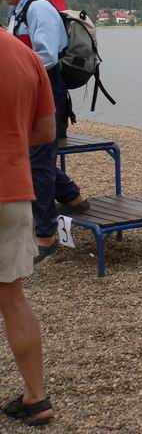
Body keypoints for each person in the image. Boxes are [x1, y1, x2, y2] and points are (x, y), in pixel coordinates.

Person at [0, 0, 89, 262]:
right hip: (31, 88)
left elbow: (47, 56)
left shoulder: (39, 9)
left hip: (47, 89)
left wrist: (13, 68)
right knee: (32, 153)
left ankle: (46, 234)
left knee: (37, 156)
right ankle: (72, 196)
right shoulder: (18, 11)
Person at [0, 28, 57, 427]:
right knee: (12, 298)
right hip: (12, 190)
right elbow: (46, 131)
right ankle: (36, 398)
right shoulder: (25, 55)